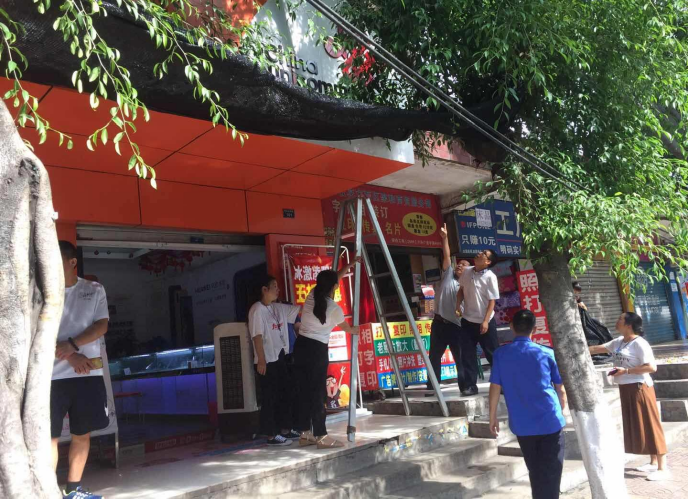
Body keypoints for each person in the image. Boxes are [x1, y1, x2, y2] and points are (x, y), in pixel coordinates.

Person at [52, 241, 110, 499]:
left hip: (87, 374)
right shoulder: (40, 292)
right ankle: (46, 491)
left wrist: (73, 345)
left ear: (72, 262)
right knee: (48, 437)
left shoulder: (94, 289)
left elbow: (101, 326)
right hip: (50, 376)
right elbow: (35, 335)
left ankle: (73, 490)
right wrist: (71, 356)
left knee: (82, 434)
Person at [489, 309, 567, 499]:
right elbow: (560, 388)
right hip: (550, 420)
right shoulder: (547, 353)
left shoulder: (500, 354)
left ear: (511, 327)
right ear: (535, 328)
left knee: (535, 470)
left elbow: (495, 387)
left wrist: (492, 417)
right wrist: (562, 410)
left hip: (523, 425)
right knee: (552, 472)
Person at [589, 312, 669, 481]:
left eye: (620, 319)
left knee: (651, 424)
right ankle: (653, 461)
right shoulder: (619, 342)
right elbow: (597, 349)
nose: (617, 321)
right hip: (626, 388)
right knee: (641, 425)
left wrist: (626, 371)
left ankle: (663, 467)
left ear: (629, 325)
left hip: (640, 388)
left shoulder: (640, 344)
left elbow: (651, 367)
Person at [294, 260, 360, 449]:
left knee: (303, 391)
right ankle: (321, 436)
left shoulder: (311, 295)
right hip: (316, 351)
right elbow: (347, 328)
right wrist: (356, 329)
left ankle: (305, 434)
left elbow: (330, 282)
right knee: (317, 393)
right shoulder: (334, 309)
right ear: (335, 287)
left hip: (300, 347)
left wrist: (347, 267)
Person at [247, 275, 302, 447]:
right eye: (274, 286)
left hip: (279, 356)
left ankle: (285, 428)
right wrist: (261, 360)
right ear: (264, 289)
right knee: (270, 396)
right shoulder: (257, 309)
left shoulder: (275, 307)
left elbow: (296, 310)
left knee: (285, 392)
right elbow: (257, 336)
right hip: (267, 359)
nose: (278, 289)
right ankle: (271, 434)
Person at [428, 223, 470, 393]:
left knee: (459, 357)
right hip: (438, 323)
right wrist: (444, 238)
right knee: (434, 357)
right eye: (459, 264)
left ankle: (465, 387)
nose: (459, 266)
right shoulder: (448, 276)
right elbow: (446, 255)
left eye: (464, 265)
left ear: (469, 270)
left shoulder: (468, 286)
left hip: (456, 327)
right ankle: (433, 388)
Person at [456, 249, 500, 396]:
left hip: (485, 321)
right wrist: (458, 305)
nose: (479, 253)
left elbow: (492, 301)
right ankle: (470, 386)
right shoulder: (467, 271)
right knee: (467, 354)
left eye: (484, 254)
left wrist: (485, 321)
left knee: (492, 354)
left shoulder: (490, 277)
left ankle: (501, 385)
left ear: (488, 262)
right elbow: (461, 290)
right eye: (480, 251)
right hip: (468, 320)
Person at [573, 281, 613, 350]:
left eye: (578, 292)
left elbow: (585, 308)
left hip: (583, 318)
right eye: (575, 291)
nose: (576, 293)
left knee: (597, 325)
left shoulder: (578, 298)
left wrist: (580, 304)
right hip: (576, 319)